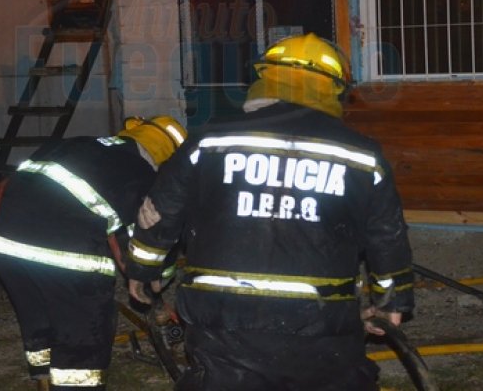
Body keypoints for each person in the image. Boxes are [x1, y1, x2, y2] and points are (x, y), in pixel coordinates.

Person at [126, 33, 415, 391]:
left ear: (266, 78)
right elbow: (387, 236)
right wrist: (391, 302)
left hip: (222, 316)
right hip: (322, 318)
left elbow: (160, 211)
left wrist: (143, 270)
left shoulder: (210, 140)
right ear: (333, 89)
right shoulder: (362, 156)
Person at [0, 115, 188, 391]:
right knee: (84, 328)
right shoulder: (142, 173)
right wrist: (156, 282)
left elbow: (115, 218)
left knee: (39, 313)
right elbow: (154, 239)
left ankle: (44, 379)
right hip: (60, 241)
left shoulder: (83, 144)